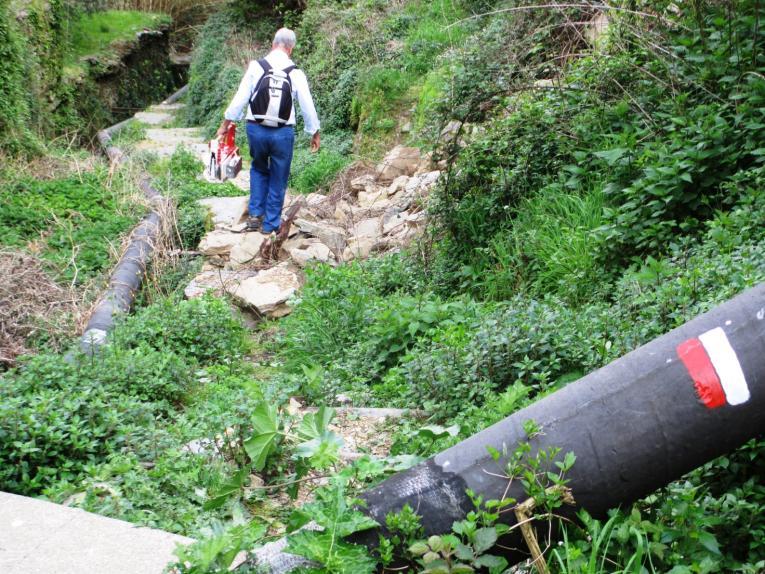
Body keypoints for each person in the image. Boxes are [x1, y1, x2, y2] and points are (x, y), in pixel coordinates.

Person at [217, 28, 320, 234]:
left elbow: (240, 98)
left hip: (255, 129)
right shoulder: (296, 72)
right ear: (290, 49)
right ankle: (271, 224)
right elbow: (307, 105)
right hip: (283, 132)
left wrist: (225, 126)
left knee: (258, 168)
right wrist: (314, 132)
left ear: (273, 44)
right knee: (279, 175)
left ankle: (255, 216)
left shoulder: (257, 67)